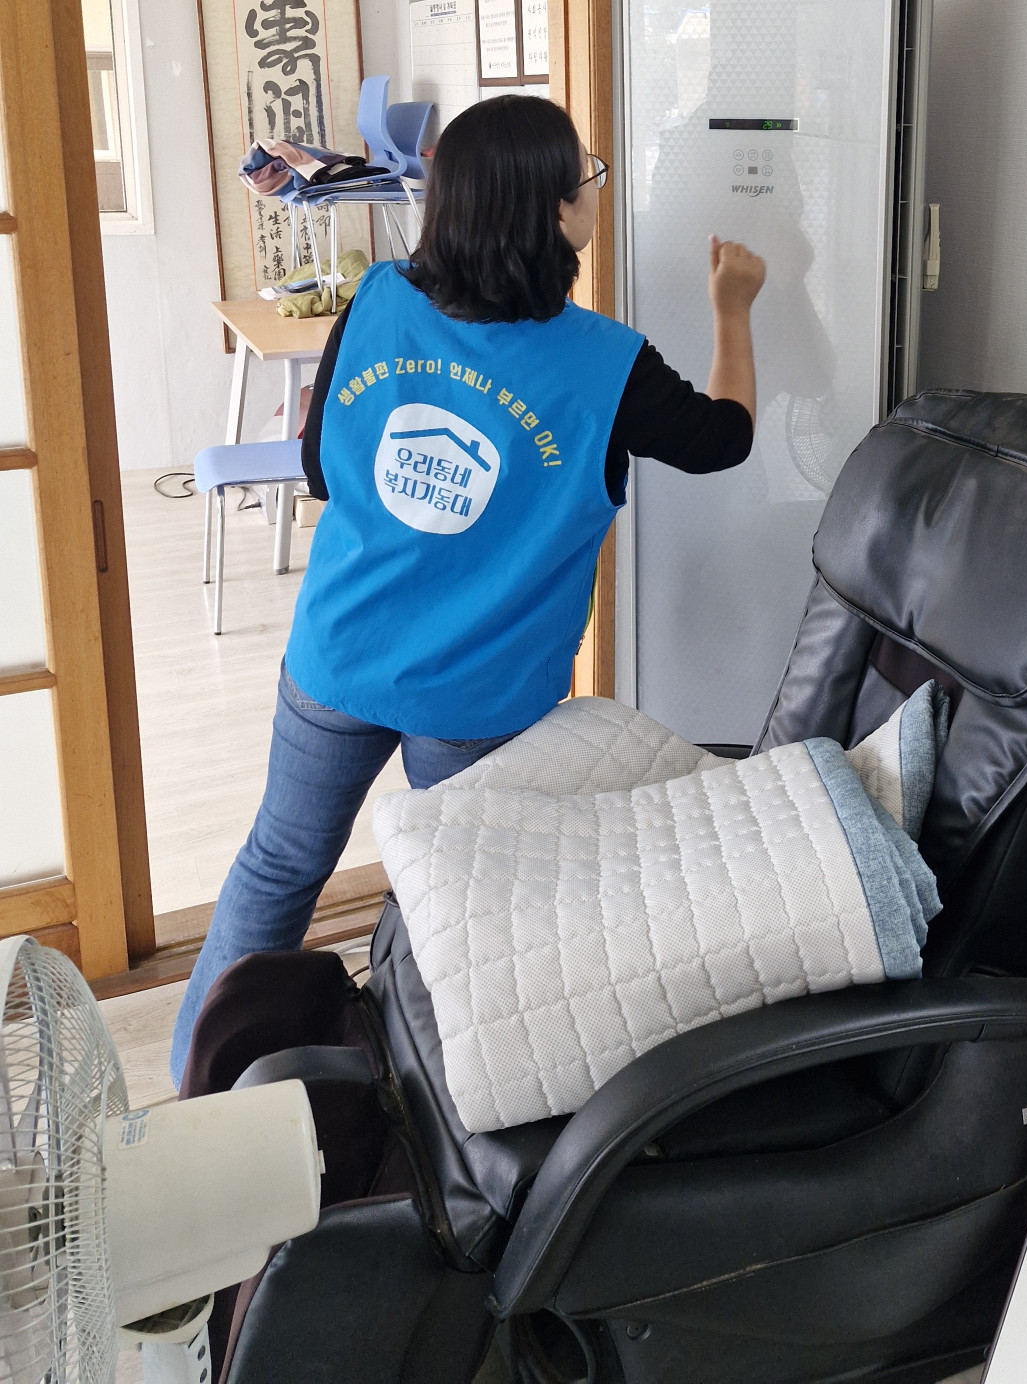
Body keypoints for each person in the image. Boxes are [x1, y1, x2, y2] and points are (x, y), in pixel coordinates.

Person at [170, 94, 765, 1086]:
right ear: (556, 213)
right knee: (463, 895)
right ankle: (445, 1098)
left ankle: (196, 1094)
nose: (593, 191)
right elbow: (724, 439)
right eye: (587, 178)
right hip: (478, 697)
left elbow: (319, 465)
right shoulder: (606, 365)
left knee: (278, 864)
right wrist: (734, 309)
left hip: (339, 654)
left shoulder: (379, 298)